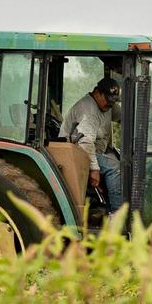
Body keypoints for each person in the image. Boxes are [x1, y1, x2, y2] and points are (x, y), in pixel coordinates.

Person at [58, 77, 123, 213]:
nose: (110, 105)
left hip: (96, 150)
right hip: (77, 153)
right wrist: (94, 169)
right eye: (108, 101)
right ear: (97, 93)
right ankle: (118, 216)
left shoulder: (106, 105)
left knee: (122, 161)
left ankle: (110, 210)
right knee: (114, 168)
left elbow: (122, 115)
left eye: (113, 102)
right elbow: (86, 143)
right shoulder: (89, 111)